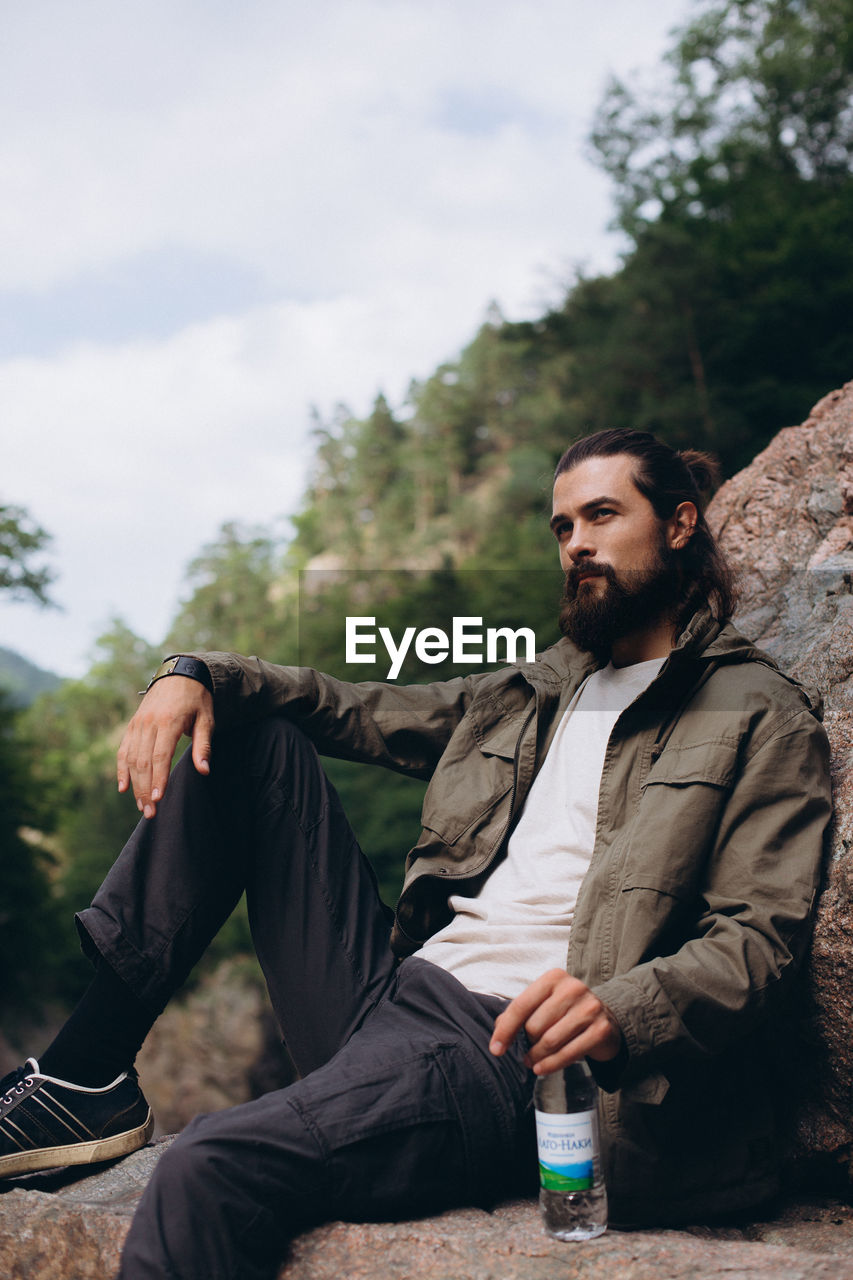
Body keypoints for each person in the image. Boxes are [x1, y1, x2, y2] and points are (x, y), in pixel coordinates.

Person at [0, 430, 832, 1280]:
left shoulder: (757, 712)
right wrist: (196, 673)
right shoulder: (547, 686)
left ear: (679, 525)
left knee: (209, 1164)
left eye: (602, 515)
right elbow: (355, 706)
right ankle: (84, 1076)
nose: (575, 542)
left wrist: (624, 1009)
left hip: (504, 1044)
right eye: (560, 527)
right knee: (258, 744)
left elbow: (758, 938)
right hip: (392, 994)